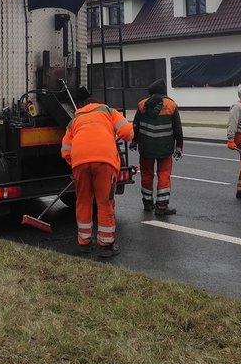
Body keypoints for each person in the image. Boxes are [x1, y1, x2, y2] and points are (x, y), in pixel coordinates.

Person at [61, 87, 134, 258]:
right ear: (98, 104)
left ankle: (85, 243)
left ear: (84, 106)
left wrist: (77, 164)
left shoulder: (75, 119)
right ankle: (106, 245)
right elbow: (127, 132)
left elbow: (65, 150)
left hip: (80, 163)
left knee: (83, 201)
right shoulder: (108, 111)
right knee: (104, 202)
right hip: (104, 162)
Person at [131, 79, 184, 216]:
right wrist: (179, 146)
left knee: (147, 175)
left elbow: (135, 126)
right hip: (165, 149)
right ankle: (161, 206)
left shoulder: (142, 105)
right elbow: (177, 129)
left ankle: (148, 204)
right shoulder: (171, 105)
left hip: (146, 148)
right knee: (164, 175)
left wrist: (134, 141)